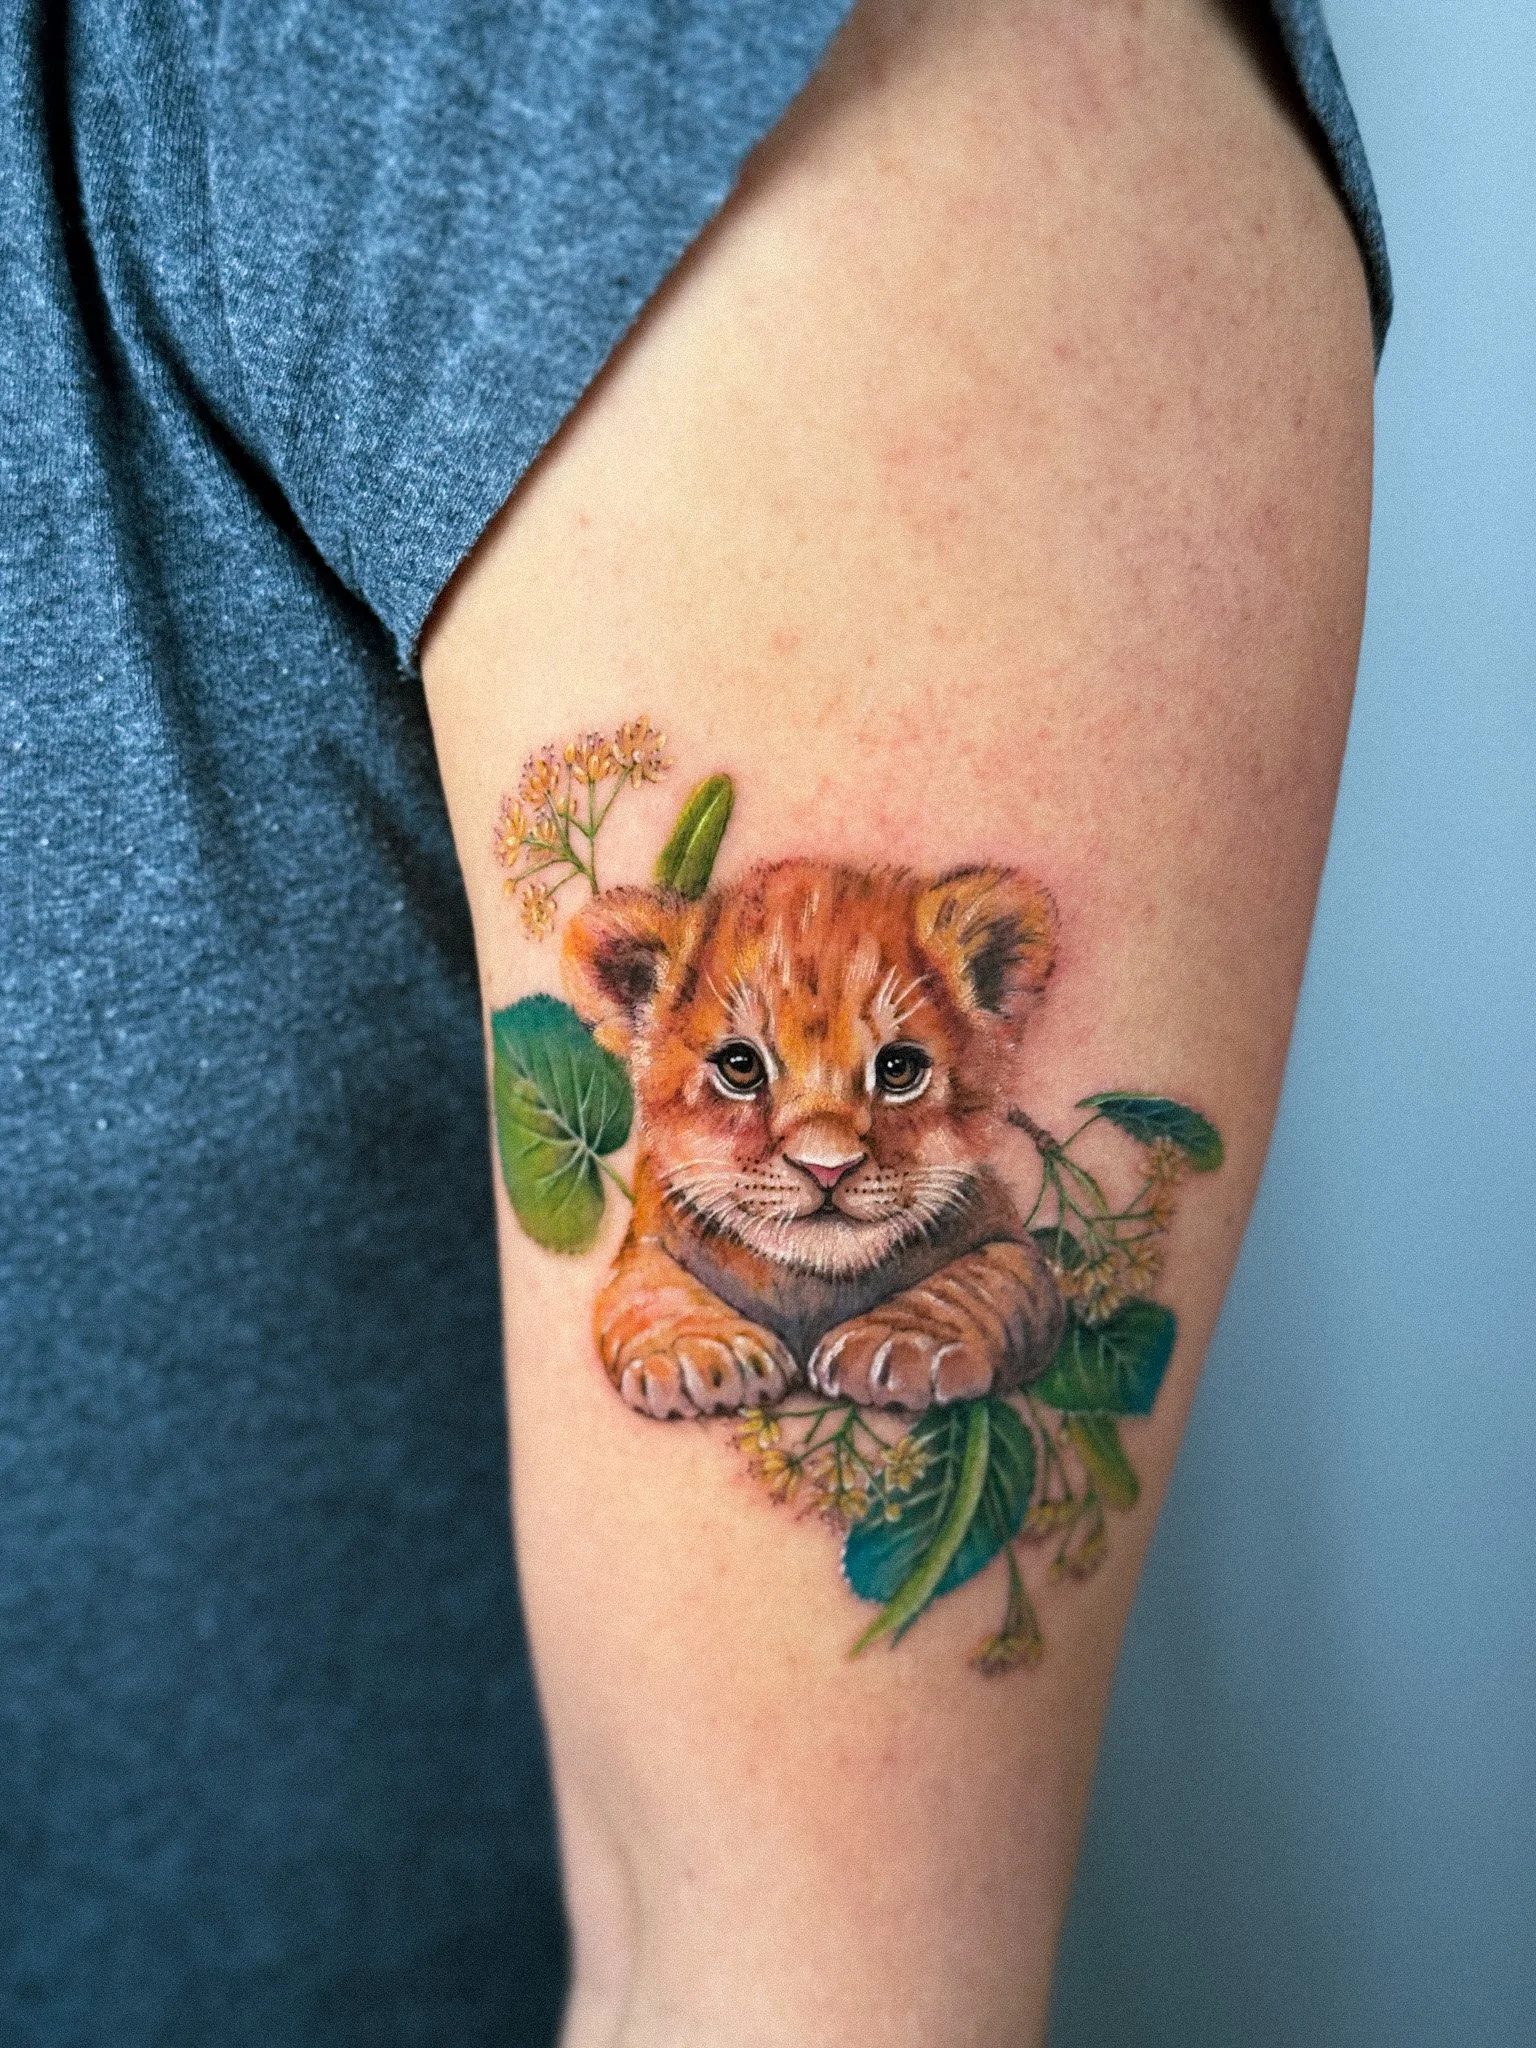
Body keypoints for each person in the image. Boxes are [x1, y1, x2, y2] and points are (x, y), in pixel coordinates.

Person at [1, 1, 1388, 2040]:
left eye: (894, 1073)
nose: (827, 1143)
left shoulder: (902, 115)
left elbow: (794, 1994)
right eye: (751, 1072)